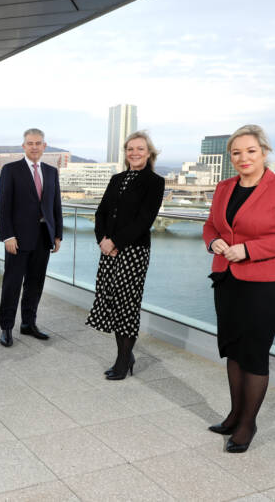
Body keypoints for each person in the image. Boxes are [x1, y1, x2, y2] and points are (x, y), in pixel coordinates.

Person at [203, 124, 275, 453]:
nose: (243, 157)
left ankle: (248, 423)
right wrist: (214, 242)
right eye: (236, 152)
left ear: (264, 152)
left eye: (250, 151)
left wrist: (249, 250)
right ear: (230, 157)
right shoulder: (223, 187)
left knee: (254, 353)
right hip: (227, 280)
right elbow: (210, 226)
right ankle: (235, 414)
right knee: (233, 350)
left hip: (265, 285)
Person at [86, 131, 165, 380]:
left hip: (134, 251)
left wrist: (116, 241)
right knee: (112, 301)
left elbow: (145, 220)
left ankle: (123, 360)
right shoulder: (116, 178)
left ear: (149, 152)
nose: (134, 153)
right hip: (109, 250)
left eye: (140, 148)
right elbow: (101, 212)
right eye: (130, 149)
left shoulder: (155, 181)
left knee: (127, 305)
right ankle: (125, 354)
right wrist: (103, 240)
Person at [0, 128, 62, 347]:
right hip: (18, 239)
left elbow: (56, 205)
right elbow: (3, 207)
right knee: (12, 284)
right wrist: (8, 236)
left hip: (44, 238)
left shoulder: (52, 172)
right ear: (23, 146)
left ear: (45, 146)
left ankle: (28, 324)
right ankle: (6, 327)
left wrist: (58, 234)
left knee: (35, 283)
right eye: (30, 143)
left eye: (38, 143)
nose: (34, 147)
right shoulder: (11, 170)